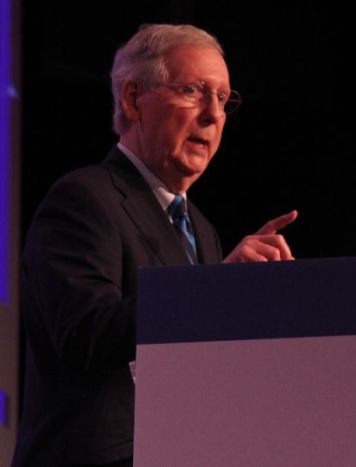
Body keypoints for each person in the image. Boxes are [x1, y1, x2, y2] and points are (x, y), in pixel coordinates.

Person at [12, 23, 297, 466]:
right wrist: (216, 286)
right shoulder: (84, 199)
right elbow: (85, 334)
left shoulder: (201, 229)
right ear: (132, 100)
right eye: (194, 91)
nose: (213, 114)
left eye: (223, 98)